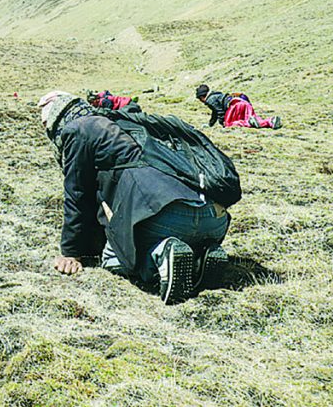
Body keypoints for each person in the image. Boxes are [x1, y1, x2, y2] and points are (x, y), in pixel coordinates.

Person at [38, 91, 230, 304]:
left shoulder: (78, 130)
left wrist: (70, 252)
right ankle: (201, 254)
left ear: (56, 123)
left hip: (162, 213)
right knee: (172, 232)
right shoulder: (128, 123)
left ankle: (160, 256)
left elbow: (77, 195)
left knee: (112, 258)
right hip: (214, 217)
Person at [196, 84, 281, 129]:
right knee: (252, 118)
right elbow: (215, 114)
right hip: (243, 102)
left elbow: (218, 112)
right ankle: (270, 121)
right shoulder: (217, 95)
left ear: (202, 97)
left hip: (235, 106)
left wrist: (223, 123)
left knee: (230, 124)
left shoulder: (210, 100)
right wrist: (211, 124)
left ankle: (249, 122)